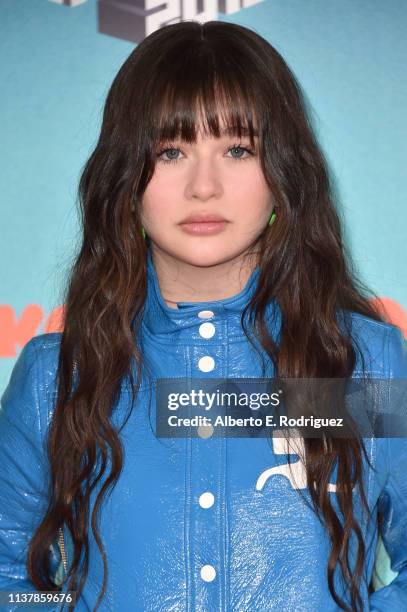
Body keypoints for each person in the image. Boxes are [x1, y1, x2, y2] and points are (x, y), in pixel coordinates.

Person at [0, 19, 406, 612]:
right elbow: (10, 571)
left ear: (283, 174)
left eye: (237, 149)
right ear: (124, 179)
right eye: (171, 151)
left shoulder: (363, 366)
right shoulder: (57, 377)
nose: (204, 186)